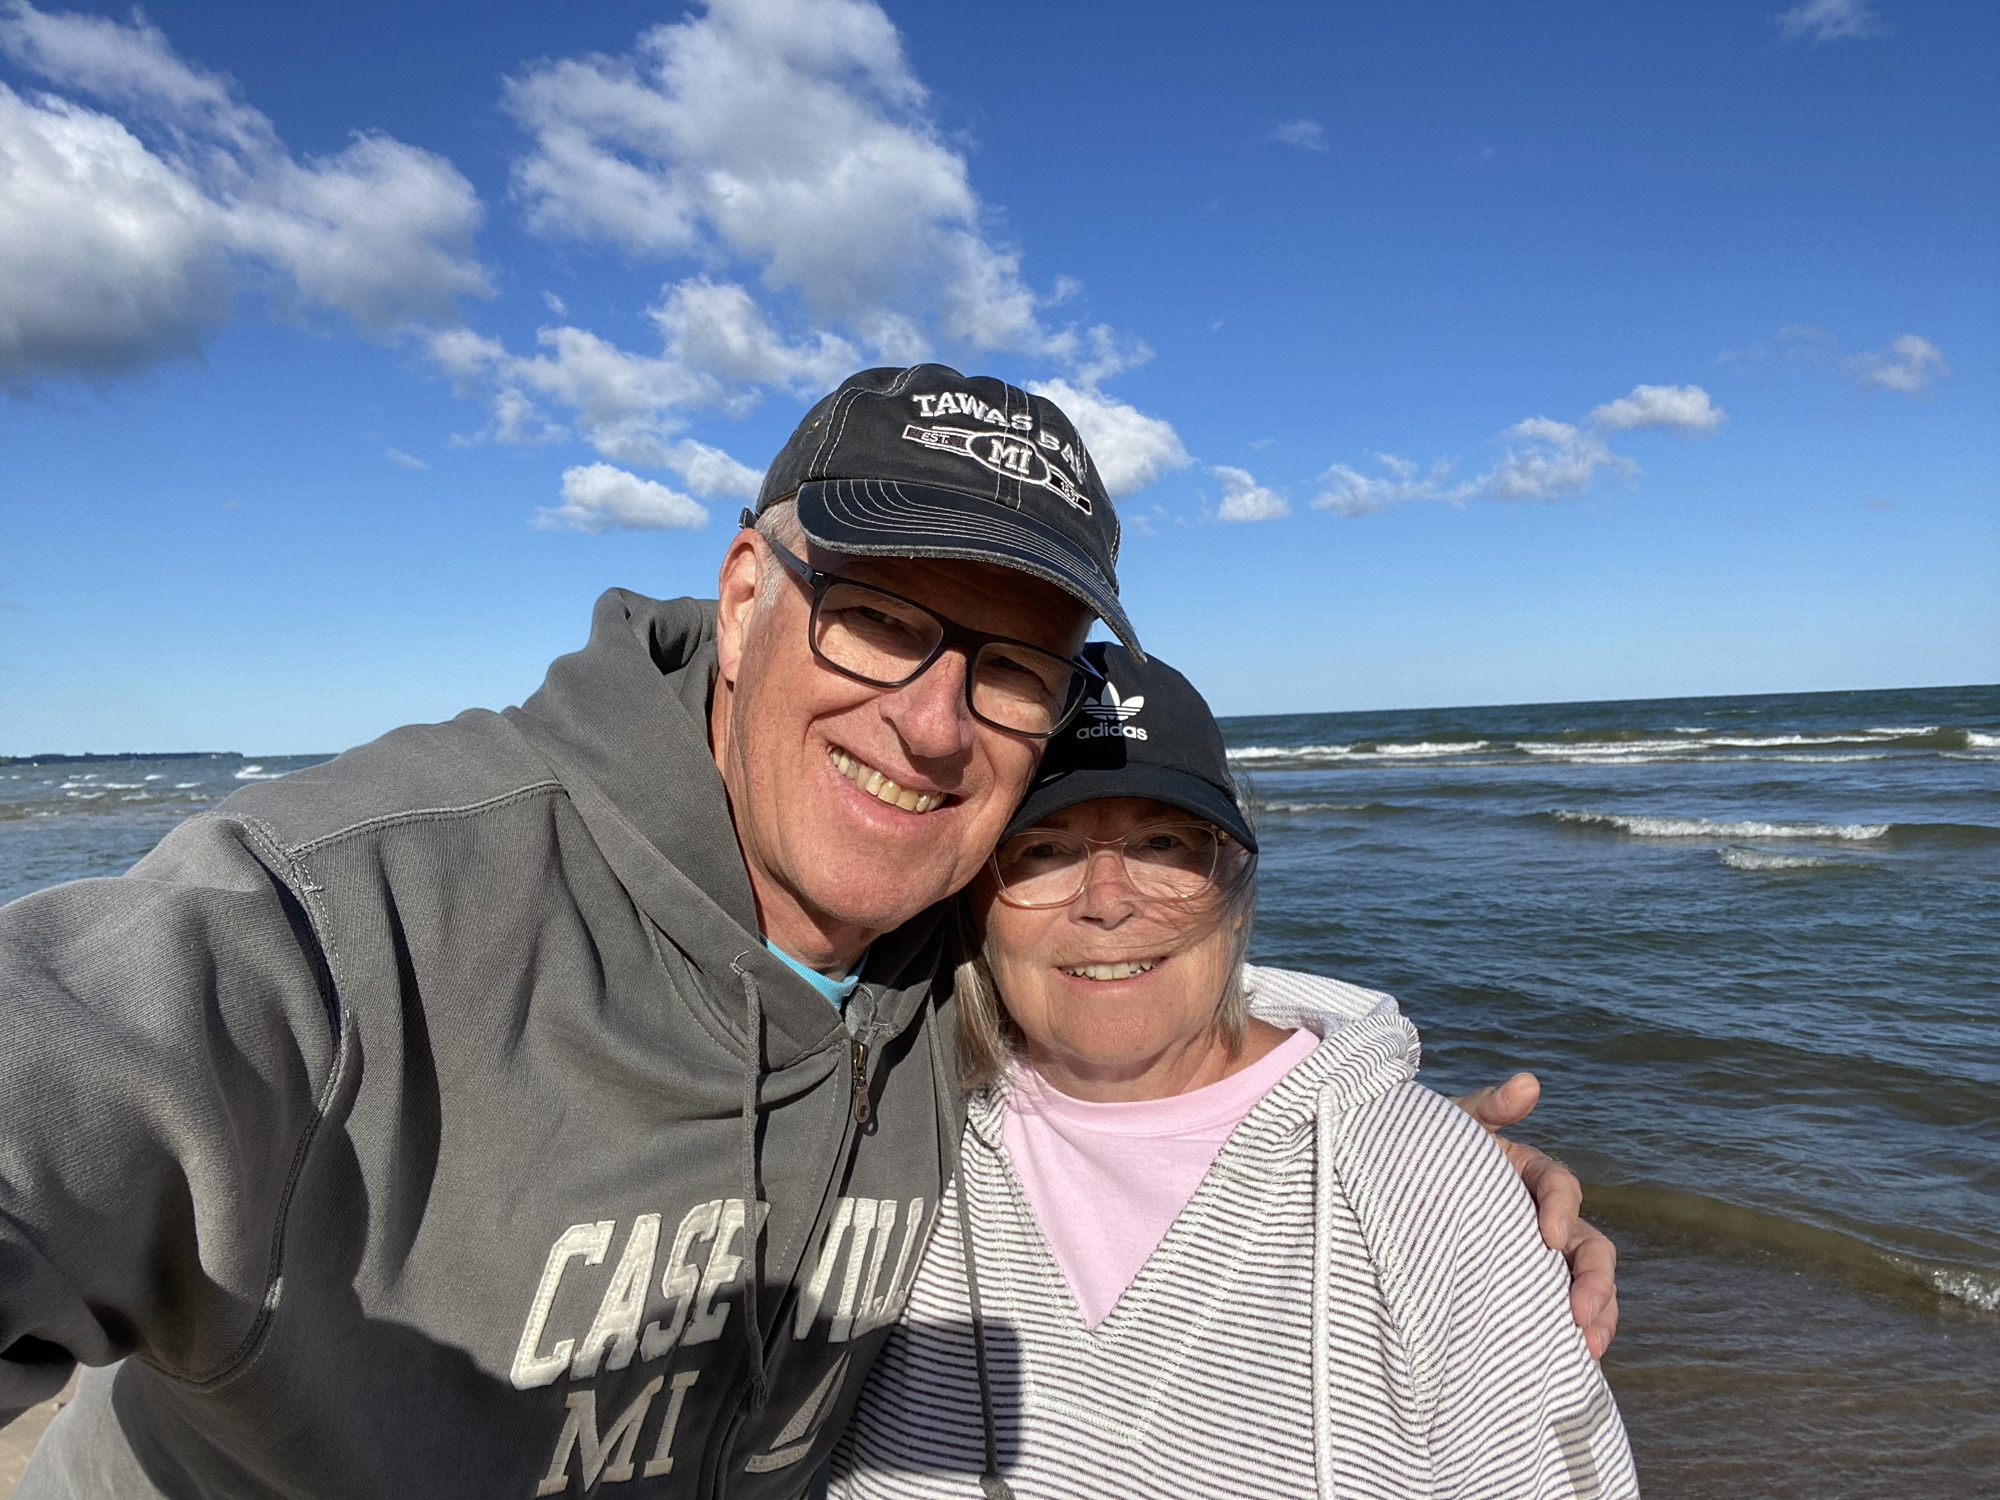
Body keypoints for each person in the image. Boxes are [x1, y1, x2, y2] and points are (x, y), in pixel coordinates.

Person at [0, 364, 1610, 1499]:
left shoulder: (929, 973)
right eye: (884, 618)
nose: (929, 724)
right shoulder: (367, 916)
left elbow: (1150, 1045)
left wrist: (1401, 1170)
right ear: (752, 591)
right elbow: (74, 1079)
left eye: (1011, 667)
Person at [829, 645, 1638, 1499]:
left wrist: (1440, 1168)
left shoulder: (1421, 1186)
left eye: (1164, 841)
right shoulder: (882, 1118)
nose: (1107, 899)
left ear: (1235, 883)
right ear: (975, 896)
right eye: (1043, 849)